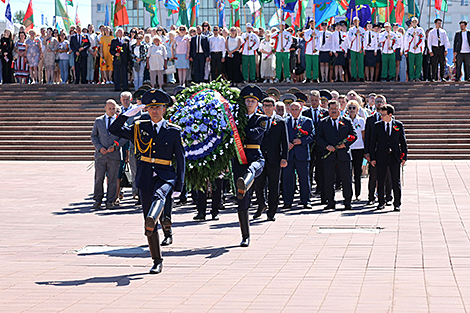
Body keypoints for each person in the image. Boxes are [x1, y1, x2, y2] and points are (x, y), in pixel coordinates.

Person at [109, 89, 185, 274]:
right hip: (144, 175)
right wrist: (126, 115)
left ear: (164, 109)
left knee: (160, 196)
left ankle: (154, 216)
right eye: (151, 108)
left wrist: (180, 185)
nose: (154, 111)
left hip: (166, 174)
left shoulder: (173, 131)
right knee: (148, 225)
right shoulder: (139, 127)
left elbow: (181, 159)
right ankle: (156, 260)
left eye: (158, 107)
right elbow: (113, 130)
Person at [232, 85, 267, 247]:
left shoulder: (262, 118)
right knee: (242, 200)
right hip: (239, 159)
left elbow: (254, 133)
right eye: (247, 100)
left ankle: (245, 182)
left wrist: (239, 129)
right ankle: (245, 235)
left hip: (255, 157)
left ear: (257, 103)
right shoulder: (236, 118)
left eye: (253, 101)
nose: (250, 103)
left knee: (253, 169)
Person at [316, 100, 357, 210]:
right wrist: (326, 146)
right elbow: (318, 138)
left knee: (346, 180)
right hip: (329, 156)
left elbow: (354, 135)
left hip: (343, 156)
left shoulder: (347, 121)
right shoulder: (323, 122)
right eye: (331, 109)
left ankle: (347, 202)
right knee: (328, 180)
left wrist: (345, 144)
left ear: (340, 109)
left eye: (336, 108)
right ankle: (330, 202)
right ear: (328, 110)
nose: (334, 111)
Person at [254, 97, 288, 221]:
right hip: (260, 158)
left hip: (274, 159)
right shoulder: (258, 119)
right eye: (265, 105)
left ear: (274, 107)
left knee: (274, 186)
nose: (267, 108)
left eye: (269, 105)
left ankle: (271, 212)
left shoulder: (280, 121)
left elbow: (285, 141)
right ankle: (261, 204)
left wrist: (284, 158)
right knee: (258, 185)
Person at [370, 104, 407, 211]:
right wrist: (372, 157)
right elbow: (372, 143)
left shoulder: (398, 125)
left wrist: (404, 156)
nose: (381, 116)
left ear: (390, 114)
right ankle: (381, 202)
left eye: (384, 114)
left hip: (394, 156)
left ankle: (397, 203)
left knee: (396, 180)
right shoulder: (377, 126)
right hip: (381, 156)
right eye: (381, 114)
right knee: (381, 179)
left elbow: (403, 142)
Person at [90, 100, 126, 210]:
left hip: (114, 155)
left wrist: (116, 146)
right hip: (101, 155)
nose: (111, 110)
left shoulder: (119, 121)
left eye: (113, 108)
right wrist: (99, 147)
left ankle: (110, 201)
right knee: (98, 178)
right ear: (105, 108)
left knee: (113, 179)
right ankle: (97, 199)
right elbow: (94, 136)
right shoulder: (99, 121)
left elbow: (124, 137)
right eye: (109, 108)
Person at [283, 101, 314, 210]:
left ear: (300, 110)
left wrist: (302, 141)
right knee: (287, 179)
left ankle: (306, 201)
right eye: (292, 109)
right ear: (289, 110)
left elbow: (312, 136)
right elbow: (281, 136)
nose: (294, 111)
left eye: (296, 109)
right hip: (289, 154)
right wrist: (287, 145)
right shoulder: (285, 121)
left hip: (302, 155)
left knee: (304, 178)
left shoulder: (307, 121)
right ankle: (287, 201)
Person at [302, 90, 329, 203]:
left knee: (321, 170)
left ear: (319, 100)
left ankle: (322, 192)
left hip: (321, 146)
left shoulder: (325, 112)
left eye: (316, 100)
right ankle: (307, 194)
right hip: (308, 146)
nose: (314, 102)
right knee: (308, 170)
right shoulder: (305, 113)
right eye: (312, 100)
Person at [347, 100, 365, 201]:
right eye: (350, 108)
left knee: (357, 172)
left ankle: (358, 194)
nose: (352, 110)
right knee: (348, 172)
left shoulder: (361, 120)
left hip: (358, 147)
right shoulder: (344, 120)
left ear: (357, 109)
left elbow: (363, 135)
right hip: (348, 148)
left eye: (354, 108)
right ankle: (349, 194)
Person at [404, 17, 426, 82]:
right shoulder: (409, 30)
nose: (414, 23)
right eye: (413, 22)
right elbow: (406, 40)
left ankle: (417, 77)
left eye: (415, 22)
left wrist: (417, 46)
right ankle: (411, 77)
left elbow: (422, 39)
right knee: (411, 64)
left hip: (418, 50)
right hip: (411, 50)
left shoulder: (420, 30)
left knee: (418, 64)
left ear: (417, 22)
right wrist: (412, 36)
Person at [347, 17, 365, 82]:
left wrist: (363, 48)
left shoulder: (362, 30)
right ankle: (353, 76)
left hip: (360, 49)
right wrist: (355, 34)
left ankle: (361, 76)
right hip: (353, 48)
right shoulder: (351, 30)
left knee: (360, 63)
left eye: (357, 21)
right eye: (354, 21)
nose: (356, 22)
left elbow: (364, 40)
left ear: (359, 22)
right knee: (353, 63)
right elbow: (350, 38)